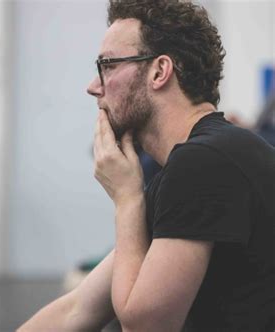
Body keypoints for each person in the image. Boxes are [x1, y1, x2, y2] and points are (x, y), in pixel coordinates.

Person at [17, 0, 275, 331]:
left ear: (159, 71)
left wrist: (127, 200)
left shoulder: (204, 164)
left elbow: (145, 327)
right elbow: (77, 309)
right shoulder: (195, 161)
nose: (94, 86)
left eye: (107, 66)